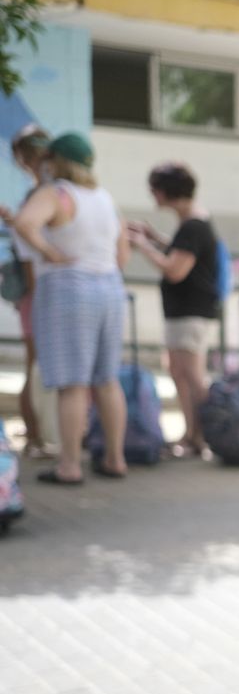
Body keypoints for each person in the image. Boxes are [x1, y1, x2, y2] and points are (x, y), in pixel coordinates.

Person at [12, 132, 129, 485]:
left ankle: (70, 466)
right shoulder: (105, 198)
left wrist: (51, 253)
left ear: (55, 161)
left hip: (68, 287)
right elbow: (121, 253)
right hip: (109, 287)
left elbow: (24, 223)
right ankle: (115, 458)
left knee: (73, 385)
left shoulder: (56, 193)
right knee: (107, 381)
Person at [128, 162, 219, 459]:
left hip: (189, 311)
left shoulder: (192, 225)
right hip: (186, 311)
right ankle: (192, 434)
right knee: (180, 371)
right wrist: (155, 238)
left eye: (155, 190)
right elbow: (182, 252)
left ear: (166, 191)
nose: (152, 196)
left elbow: (175, 270)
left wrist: (142, 245)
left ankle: (204, 435)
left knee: (191, 375)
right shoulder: (194, 222)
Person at [0, 125, 52, 458]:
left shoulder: (38, 194)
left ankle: (37, 436)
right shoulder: (41, 195)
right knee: (36, 366)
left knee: (37, 366)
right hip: (38, 295)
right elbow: (32, 256)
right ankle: (34, 438)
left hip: (37, 294)